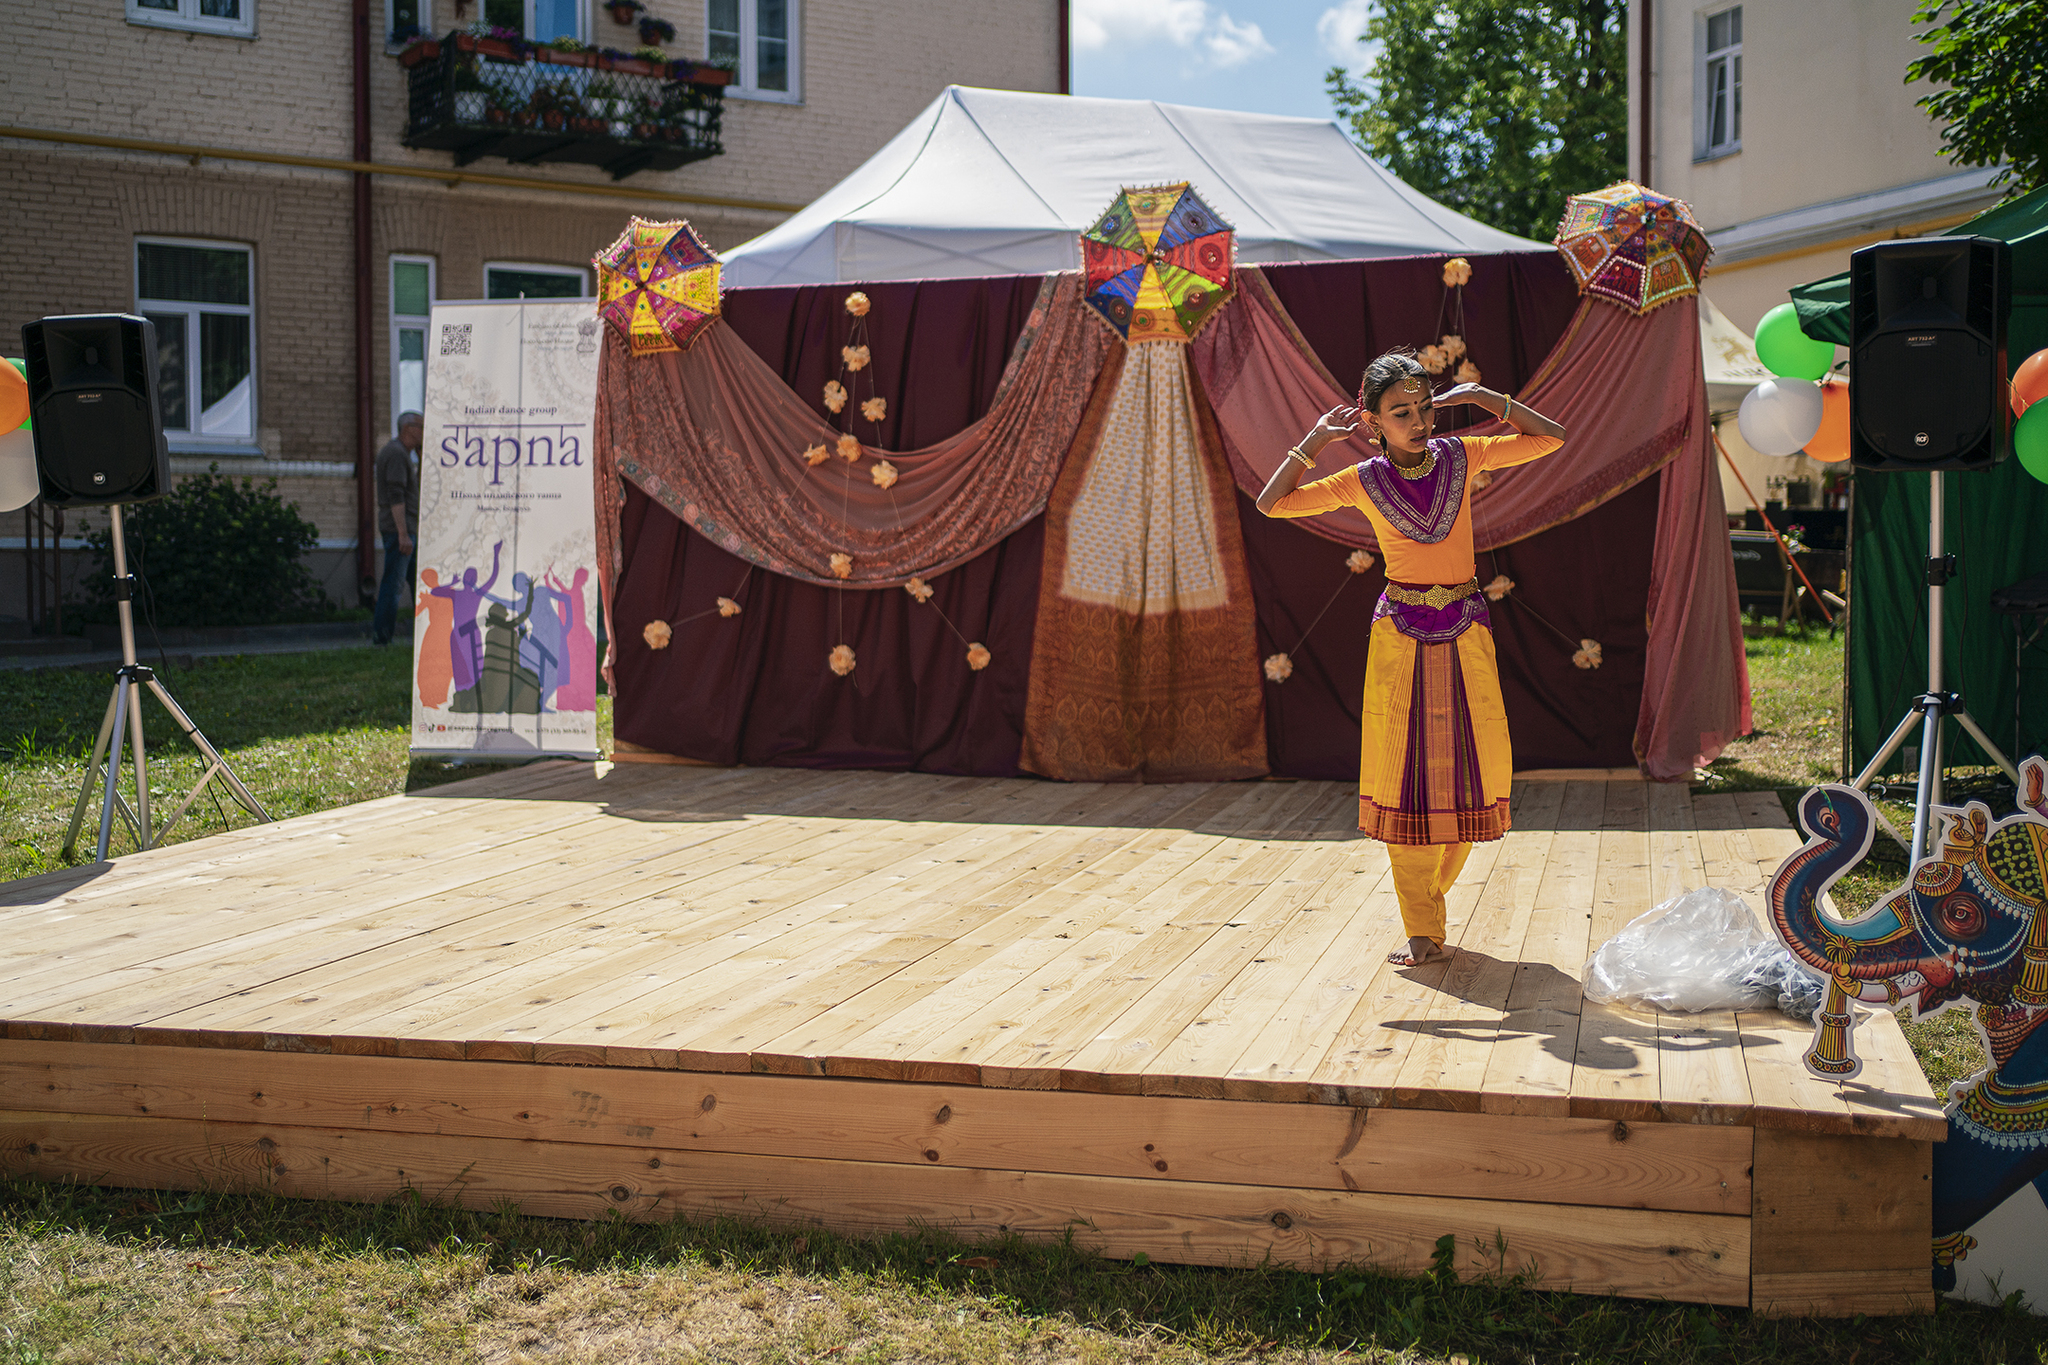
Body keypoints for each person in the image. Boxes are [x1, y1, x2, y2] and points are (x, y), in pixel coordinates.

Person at [1256, 350, 1565, 967]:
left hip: (1466, 628)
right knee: (1405, 776)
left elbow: (1549, 439)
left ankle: (1430, 900)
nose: (1420, 420)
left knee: (1477, 770)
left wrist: (1483, 400)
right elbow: (1272, 504)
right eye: (1402, 412)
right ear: (1373, 422)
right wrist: (1315, 440)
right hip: (1401, 634)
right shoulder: (1362, 479)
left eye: (1425, 407)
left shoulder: (1464, 453)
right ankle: (1422, 926)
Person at [371, 411, 423, 646]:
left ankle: (423, 634)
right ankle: (382, 638)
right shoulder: (396, 454)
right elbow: (396, 495)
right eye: (422, 427)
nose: (425, 432)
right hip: (399, 531)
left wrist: (422, 459)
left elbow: (416, 489)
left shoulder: (405, 455)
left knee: (417, 583)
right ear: (409, 429)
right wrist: (402, 534)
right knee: (393, 584)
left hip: (408, 530)